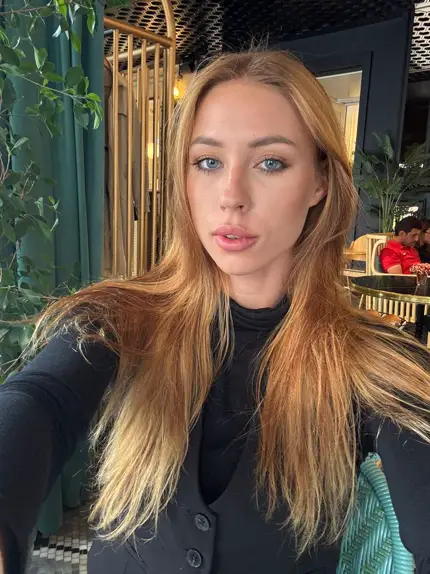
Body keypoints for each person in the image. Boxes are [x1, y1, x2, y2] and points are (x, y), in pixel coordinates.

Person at [1, 50, 430, 574]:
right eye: (208, 162)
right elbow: (40, 400)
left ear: (320, 182)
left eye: (270, 162)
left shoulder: (371, 359)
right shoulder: (121, 319)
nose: (231, 196)